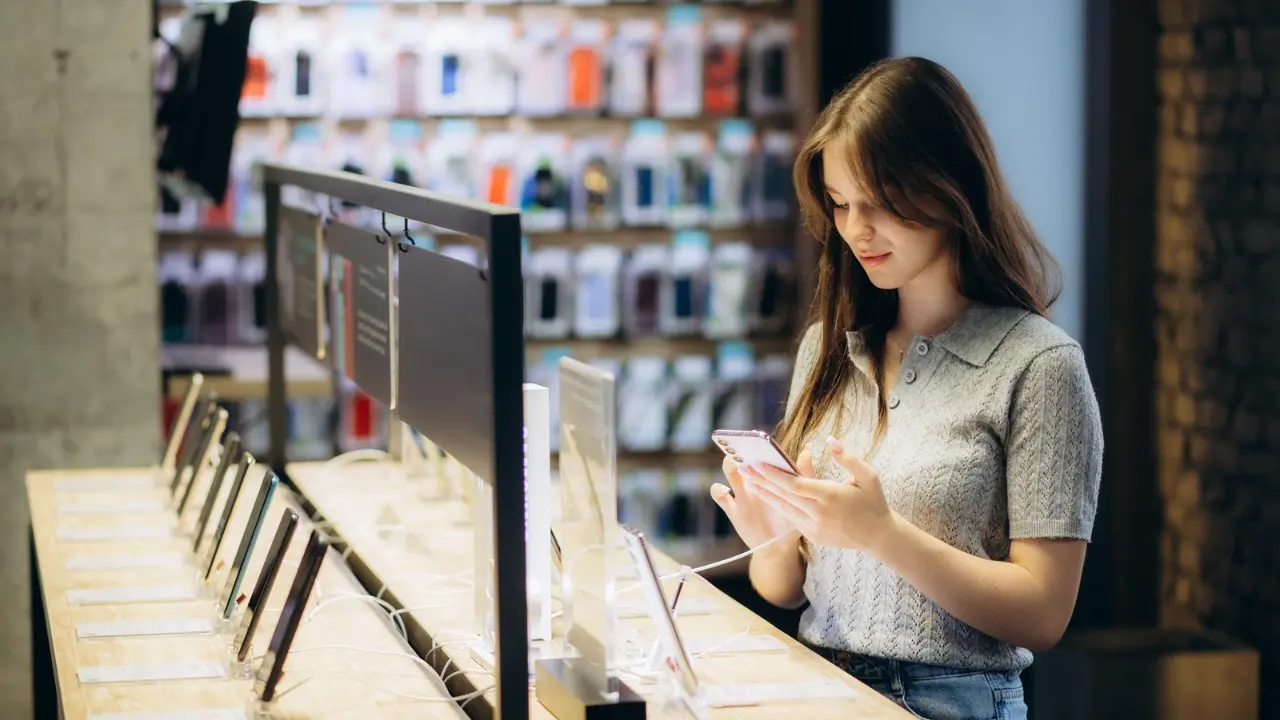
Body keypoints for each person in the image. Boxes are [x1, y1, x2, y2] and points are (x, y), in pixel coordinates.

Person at [709, 56, 1102, 720]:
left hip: (953, 702)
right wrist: (771, 537)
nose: (857, 229)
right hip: (818, 691)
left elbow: (1043, 613)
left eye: (881, 203)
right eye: (839, 204)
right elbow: (788, 589)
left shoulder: (1040, 365)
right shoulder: (828, 351)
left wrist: (883, 533)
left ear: (948, 188)